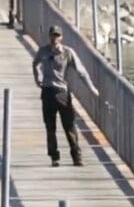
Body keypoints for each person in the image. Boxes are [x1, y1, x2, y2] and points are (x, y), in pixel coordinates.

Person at [32, 25, 99, 167]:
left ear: (61, 37)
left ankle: (77, 156)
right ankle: (54, 157)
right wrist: (38, 78)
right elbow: (35, 63)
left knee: (69, 126)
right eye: (53, 35)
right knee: (50, 127)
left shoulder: (68, 53)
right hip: (48, 92)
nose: (54, 38)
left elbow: (81, 71)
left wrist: (91, 88)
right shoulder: (43, 51)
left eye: (57, 36)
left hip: (62, 93)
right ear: (49, 36)